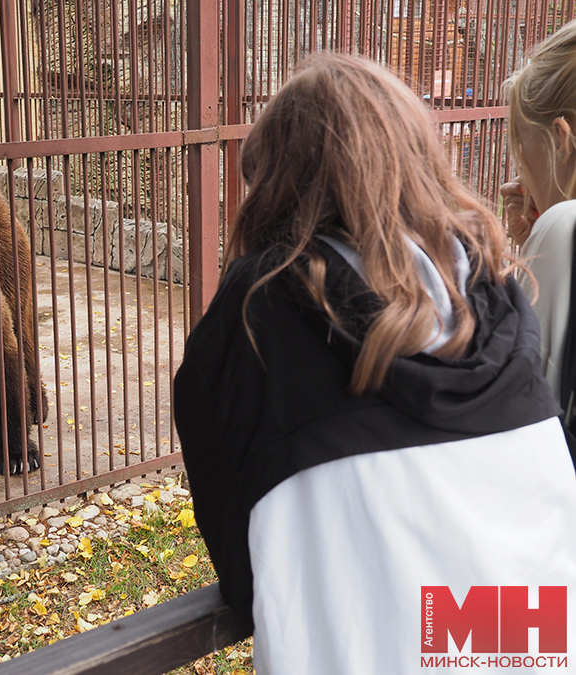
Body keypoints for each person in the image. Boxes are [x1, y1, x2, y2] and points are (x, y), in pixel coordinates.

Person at [173, 52, 576, 674]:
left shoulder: (258, 307)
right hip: (530, 647)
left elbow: (242, 568)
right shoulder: (497, 296)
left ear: (276, 186)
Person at [501, 19, 576, 416]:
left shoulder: (565, 225)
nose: (518, 180)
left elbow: (515, 395)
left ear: (561, 140)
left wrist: (534, 254)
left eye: (523, 154)